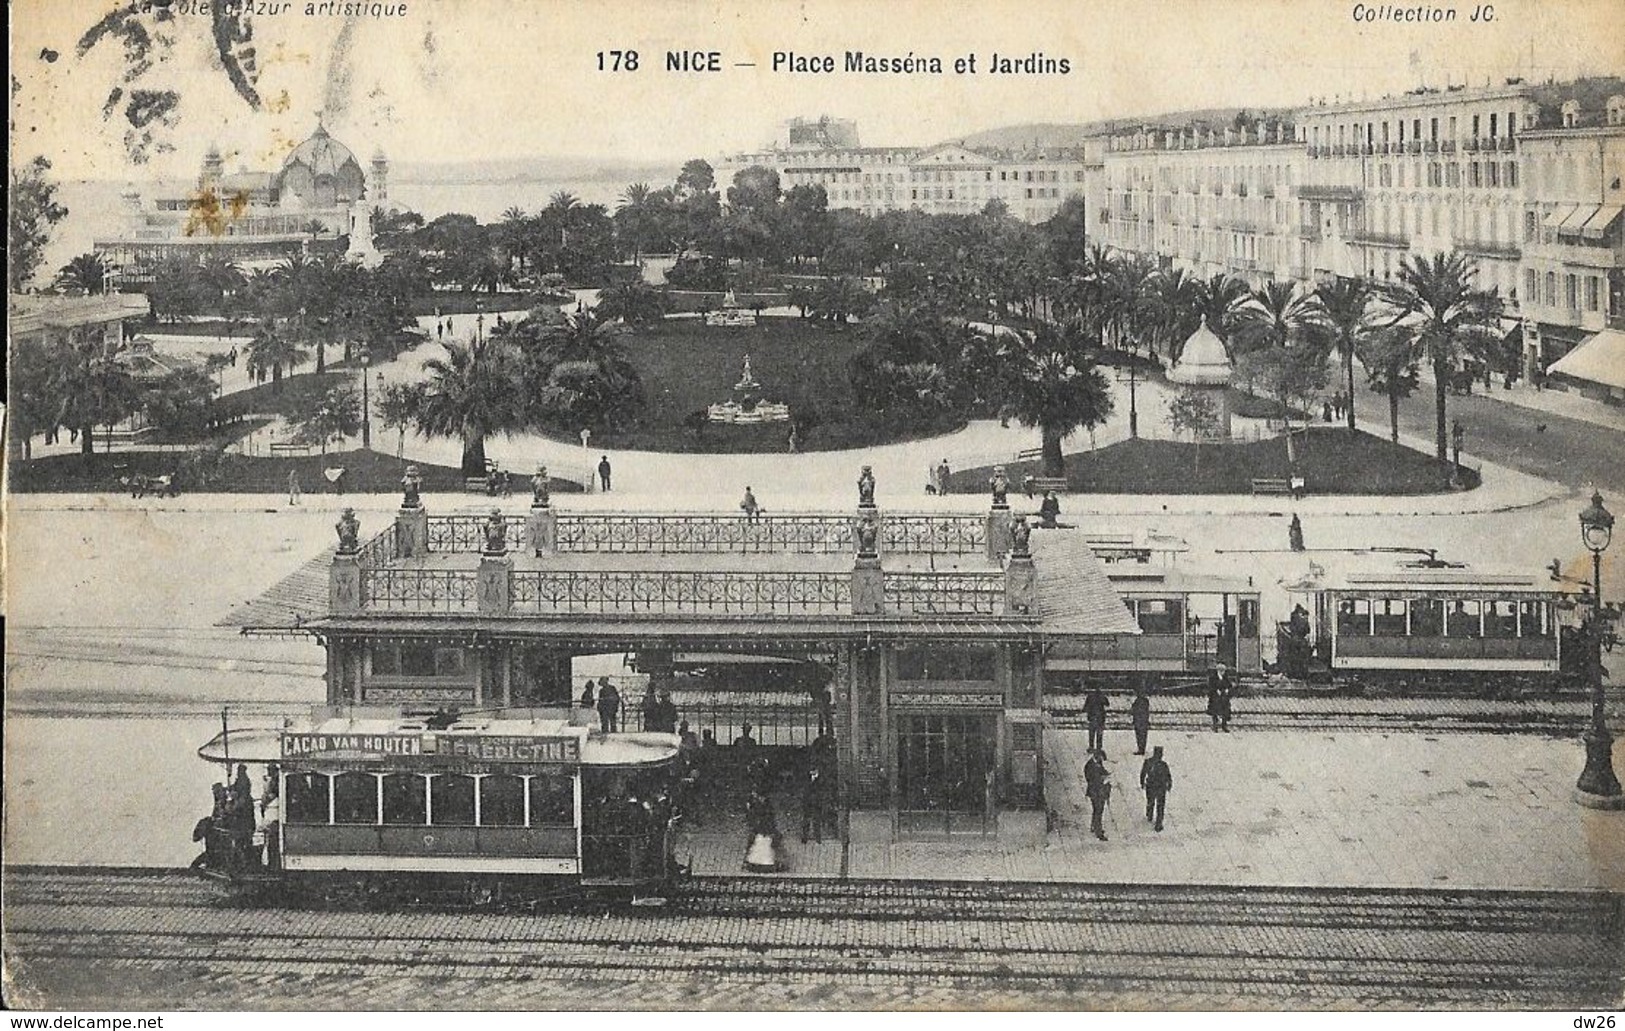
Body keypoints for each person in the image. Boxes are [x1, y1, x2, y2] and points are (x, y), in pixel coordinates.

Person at [1139, 746, 1173, 832]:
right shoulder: (1163, 764)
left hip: (1152, 786)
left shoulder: (1149, 762)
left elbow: (1143, 773)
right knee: (1159, 805)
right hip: (1159, 787)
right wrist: (1169, 785)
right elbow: (1168, 776)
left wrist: (1142, 783)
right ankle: (1157, 822)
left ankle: (1153, 817)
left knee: (1152, 802)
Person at [1083, 749, 1112, 842]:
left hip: (1099, 790)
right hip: (1095, 791)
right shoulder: (1090, 766)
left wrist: (1106, 773)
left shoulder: (1096, 763)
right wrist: (1102, 780)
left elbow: (1102, 770)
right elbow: (1090, 779)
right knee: (1098, 810)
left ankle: (1094, 826)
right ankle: (1098, 831)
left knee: (1097, 810)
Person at [1082, 685, 1110, 754]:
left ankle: (1091, 746)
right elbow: (1107, 704)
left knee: (1092, 732)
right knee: (1099, 733)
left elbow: (1085, 707)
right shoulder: (1102, 696)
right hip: (1100, 717)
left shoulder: (1090, 696)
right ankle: (1098, 747)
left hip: (1092, 717)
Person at [1129, 685, 1152, 756]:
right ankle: (1142, 749)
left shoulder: (1138, 701)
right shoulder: (1145, 701)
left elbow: (1134, 710)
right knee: (1143, 735)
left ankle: (1141, 749)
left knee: (1139, 735)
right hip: (1143, 720)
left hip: (1139, 720)